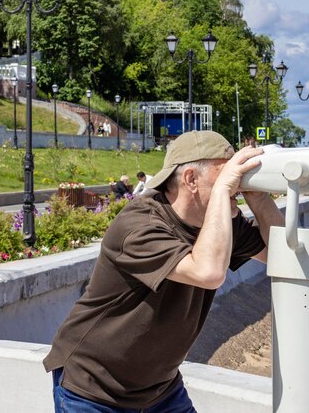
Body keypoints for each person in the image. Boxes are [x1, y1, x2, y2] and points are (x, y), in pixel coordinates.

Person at [43, 130, 283, 412]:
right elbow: (207, 272)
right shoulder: (139, 224)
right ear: (190, 179)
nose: (235, 184)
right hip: (93, 387)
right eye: (225, 175)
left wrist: (258, 196)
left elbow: (282, 255)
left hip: (159, 389)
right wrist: (221, 191)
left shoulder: (221, 222)